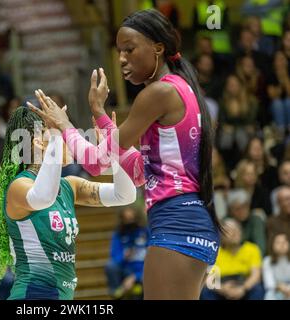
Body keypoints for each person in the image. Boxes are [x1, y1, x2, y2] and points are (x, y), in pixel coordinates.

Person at [31, 9, 221, 299]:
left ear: (158, 47)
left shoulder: (157, 94)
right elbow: (137, 172)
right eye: (119, 51)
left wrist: (64, 124)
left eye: (130, 50)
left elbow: (96, 164)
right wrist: (99, 114)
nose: (121, 59)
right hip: (188, 221)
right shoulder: (180, 90)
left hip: (176, 224)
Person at [0, 106, 137, 300]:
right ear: (41, 143)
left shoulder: (69, 186)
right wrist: (56, 134)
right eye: (67, 135)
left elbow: (124, 195)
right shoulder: (19, 186)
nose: (73, 142)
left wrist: (115, 150)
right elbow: (44, 197)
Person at [200, 219, 264, 300]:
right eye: (229, 230)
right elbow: (208, 279)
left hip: (244, 284)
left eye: (237, 230)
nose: (235, 233)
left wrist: (243, 288)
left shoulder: (251, 248)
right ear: (221, 235)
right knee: (206, 291)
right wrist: (222, 289)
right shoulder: (215, 251)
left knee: (257, 289)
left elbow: (256, 275)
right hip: (222, 286)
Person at [105, 207, 149, 299]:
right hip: (126, 269)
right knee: (110, 266)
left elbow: (152, 259)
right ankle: (117, 294)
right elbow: (114, 257)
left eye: (132, 219)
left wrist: (135, 277)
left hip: (143, 271)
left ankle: (137, 289)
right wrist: (124, 255)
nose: (130, 222)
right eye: (126, 219)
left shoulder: (146, 232)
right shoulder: (119, 234)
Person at [263, 233, 290, 300]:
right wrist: (280, 287)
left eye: (284, 242)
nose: (282, 245)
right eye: (278, 242)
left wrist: (288, 288)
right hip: (276, 289)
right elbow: (269, 283)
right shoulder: (267, 261)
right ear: (272, 245)